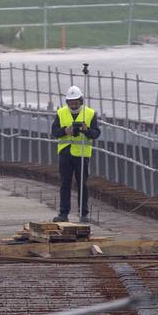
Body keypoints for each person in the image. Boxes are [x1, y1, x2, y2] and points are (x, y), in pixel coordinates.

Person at [51, 85, 101, 222]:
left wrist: (86, 130)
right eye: (71, 103)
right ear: (67, 102)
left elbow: (96, 133)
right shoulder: (61, 113)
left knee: (82, 184)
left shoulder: (90, 113)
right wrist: (64, 131)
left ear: (81, 101)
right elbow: (54, 132)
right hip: (65, 153)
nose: (73, 105)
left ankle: (83, 214)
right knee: (65, 184)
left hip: (82, 155)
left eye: (76, 103)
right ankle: (63, 213)